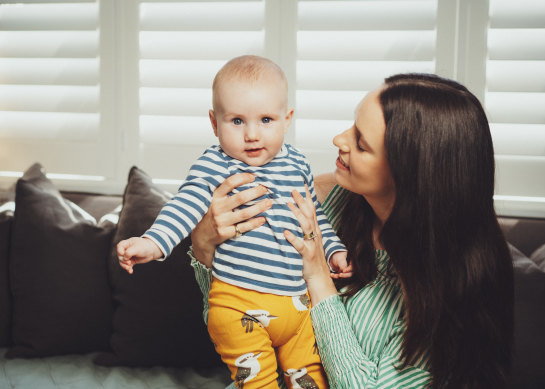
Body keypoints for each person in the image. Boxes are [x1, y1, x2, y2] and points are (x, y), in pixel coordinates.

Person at [189, 73, 515, 388]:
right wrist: (204, 246)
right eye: (353, 125)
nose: (339, 140)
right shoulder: (331, 200)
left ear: (408, 175)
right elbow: (236, 326)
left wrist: (318, 278)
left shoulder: (446, 299)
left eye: (360, 142)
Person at [116, 55, 348, 388]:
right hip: (240, 307)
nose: (252, 134)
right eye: (237, 121)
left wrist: (334, 252)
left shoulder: (297, 163)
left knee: (312, 380)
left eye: (266, 119)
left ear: (287, 118)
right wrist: (152, 242)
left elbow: (315, 218)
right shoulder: (215, 164)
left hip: (298, 308)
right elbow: (185, 205)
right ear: (214, 123)